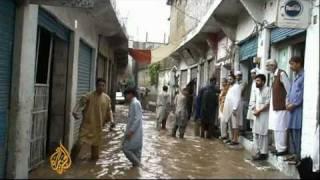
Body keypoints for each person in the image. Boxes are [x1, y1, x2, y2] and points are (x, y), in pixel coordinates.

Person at [72, 78, 114, 161]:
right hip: (86, 126)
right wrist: (74, 111)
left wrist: (112, 120)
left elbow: (109, 110)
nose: (101, 87)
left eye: (103, 85)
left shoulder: (107, 98)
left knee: (95, 155)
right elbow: (80, 102)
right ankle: (70, 160)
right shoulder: (89, 95)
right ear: (96, 86)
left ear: (105, 87)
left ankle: (92, 168)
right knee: (79, 144)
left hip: (98, 127)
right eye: (99, 85)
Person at [266, 59, 291, 156]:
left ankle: (282, 149)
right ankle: (278, 147)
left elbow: (289, 89)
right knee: (276, 127)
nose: (267, 68)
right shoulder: (274, 75)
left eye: (267, 66)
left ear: (272, 65)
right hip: (275, 106)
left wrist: (287, 103)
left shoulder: (281, 74)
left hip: (281, 106)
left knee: (281, 128)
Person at [285, 57, 304, 164]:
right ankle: (294, 154)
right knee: (291, 131)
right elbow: (290, 91)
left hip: (297, 110)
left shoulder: (304, 76)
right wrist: (287, 102)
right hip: (291, 109)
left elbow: (302, 94)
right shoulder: (296, 76)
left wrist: (293, 104)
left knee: (297, 132)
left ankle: (298, 157)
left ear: (298, 64)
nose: (291, 67)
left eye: (292, 64)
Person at [250, 74, 271, 161]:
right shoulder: (257, 90)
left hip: (264, 115)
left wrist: (259, 111)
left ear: (263, 81)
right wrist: (254, 109)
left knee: (263, 134)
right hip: (257, 114)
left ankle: (263, 153)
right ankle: (258, 152)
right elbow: (253, 101)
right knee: (256, 133)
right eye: (256, 81)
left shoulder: (268, 89)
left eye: (258, 81)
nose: (256, 83)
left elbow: (268, 103)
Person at [122, 87, 143, 167]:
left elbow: (137, 119)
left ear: (131, 94)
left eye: (126, 95)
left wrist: (131, 131)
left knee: (125, 148)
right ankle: (136, 171)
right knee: (136, 152)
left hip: (134, 132)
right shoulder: (134, 103)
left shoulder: (135, 103)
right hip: (135, 131)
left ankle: (138, 165)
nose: (125, 97)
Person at [222, 74, 242, 146]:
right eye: (229, 79)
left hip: (234, 108)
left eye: (231, 79)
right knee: (231, 124)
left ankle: (235, 139)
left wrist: (234, 108)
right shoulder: (231, 87)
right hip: (229, 108)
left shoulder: (237, 87)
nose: (229, 81)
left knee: (235, 125)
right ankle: (232, 138)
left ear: (234, 79)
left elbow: (237, 98)